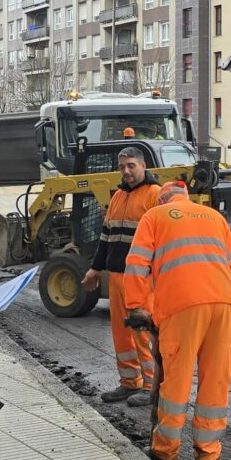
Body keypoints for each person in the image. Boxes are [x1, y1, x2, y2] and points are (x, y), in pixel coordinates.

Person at [124, 182, 231, 460]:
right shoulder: (215, 217)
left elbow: (136, 263)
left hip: (182, 305)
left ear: (162, 200)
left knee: (177, 378)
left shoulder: (154, 216)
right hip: (223, 302)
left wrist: (136, 306)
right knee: (216, 380)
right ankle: (208, 454)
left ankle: (165, 451)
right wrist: (226, 301)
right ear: (187, 198)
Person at [81, 147, 161, 406]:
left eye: (131, 165)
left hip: (142, 279)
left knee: (142, 331)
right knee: (121, 333)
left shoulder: (155, 195)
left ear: (143, 166)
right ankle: (129, 381)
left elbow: (162, 240)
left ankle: (151, 385)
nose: (126, 171)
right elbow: (106, 236)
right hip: (117, 276)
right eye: (122, 166)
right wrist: (95, 268)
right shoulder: (117, 196)